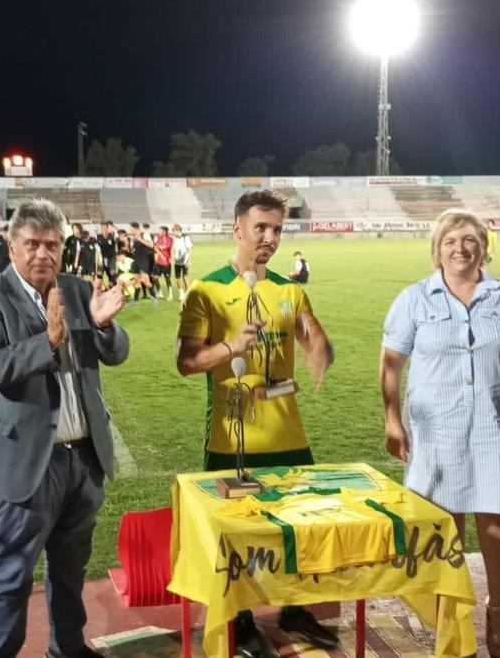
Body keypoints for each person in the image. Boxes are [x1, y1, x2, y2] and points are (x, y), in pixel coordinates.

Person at [0, 199, 129, 658]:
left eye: (52, 245)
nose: (42, 253)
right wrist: (48, 342)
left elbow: (115, 354)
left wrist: (103, 326)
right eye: (32, 244)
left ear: (63, 248)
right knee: (12, 571)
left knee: (71, 570)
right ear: (12, 246)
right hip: (26, 461)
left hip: (82, 457)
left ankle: (68, 649)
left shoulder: (77, 290)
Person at [176, 189, 336, 657]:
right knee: (236, 537)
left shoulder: (289, 290)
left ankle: (292, 610)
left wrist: (319, 348)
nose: (269, 238)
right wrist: (231, 349)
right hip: (232, 438)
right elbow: (186, 362)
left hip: (288, 433)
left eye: (277, 230)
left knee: (298, 528)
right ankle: (241, 620)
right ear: (238, 229)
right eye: (260, 228)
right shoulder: (206, 290)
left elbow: (312, 336)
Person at [382, 209, 500, 658]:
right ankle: (450, 620)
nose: (460, 248)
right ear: (437, 249)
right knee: (443, 525)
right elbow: (391, 363)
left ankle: (497, 609)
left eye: (469, 240)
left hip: (495, 425)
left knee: (495, 519)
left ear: (484, 247)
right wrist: (392, 419)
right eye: (451, 241)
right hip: (436, 430)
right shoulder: (415, 299)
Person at [170, 224, 193, 300]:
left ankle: (189, 294)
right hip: (177, 261)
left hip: (184, 261)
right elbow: (173, 249)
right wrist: (172, 258)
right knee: (177, 278)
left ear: (178, 230)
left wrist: (189, 260)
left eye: (174, 231)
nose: (173, 233)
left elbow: (190, 249)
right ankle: (181, 293)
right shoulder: (174, 239)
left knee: (185, 277)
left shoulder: (186, 238)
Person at [154, 225, 174, 296]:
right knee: (155, 278)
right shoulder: (157, 238)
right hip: (158, 262)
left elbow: (162, 247)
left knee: (167, 279)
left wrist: (156, 245)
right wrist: (156, 246)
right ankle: (159, 292)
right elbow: (155, 247)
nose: (159, 232)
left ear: (164, 232)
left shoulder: (170, 239)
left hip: (166, 263)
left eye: (160, 231)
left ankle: (170, 294)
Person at [97, 221, 119, 288]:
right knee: (99, 274)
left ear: (107, 228)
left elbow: (117, 241)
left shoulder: (112, 236)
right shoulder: (99, 237)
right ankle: (102, 288)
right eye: (102, 228)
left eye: (104, 228)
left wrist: (115, 231)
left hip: (111, 258)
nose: (103, 230)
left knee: (112, 274)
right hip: (102, 258)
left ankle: (112, 288)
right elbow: (98, 248)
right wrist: (99, 258)